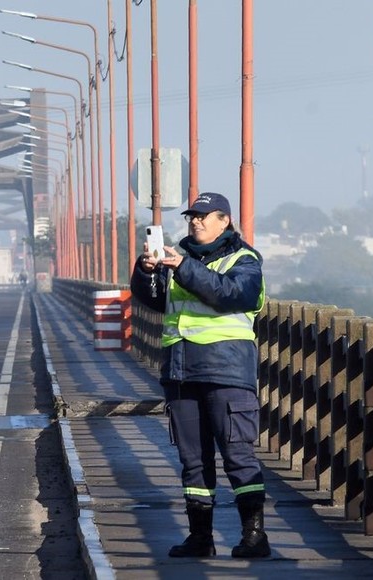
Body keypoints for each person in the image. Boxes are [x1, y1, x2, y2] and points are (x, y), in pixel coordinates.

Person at [130, 192, 270, 559]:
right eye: (192, 215)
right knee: (193, 461)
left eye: (205, 216)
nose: (196, 221)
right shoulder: (178, 258)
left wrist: (182, 267)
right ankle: (200, 538)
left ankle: (255, 536)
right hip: (181, 371)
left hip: (227, 372)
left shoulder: (245, 260)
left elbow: (231, 294)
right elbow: (155, 300)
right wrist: (145, 272)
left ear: (225, 221)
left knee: (238, 456)